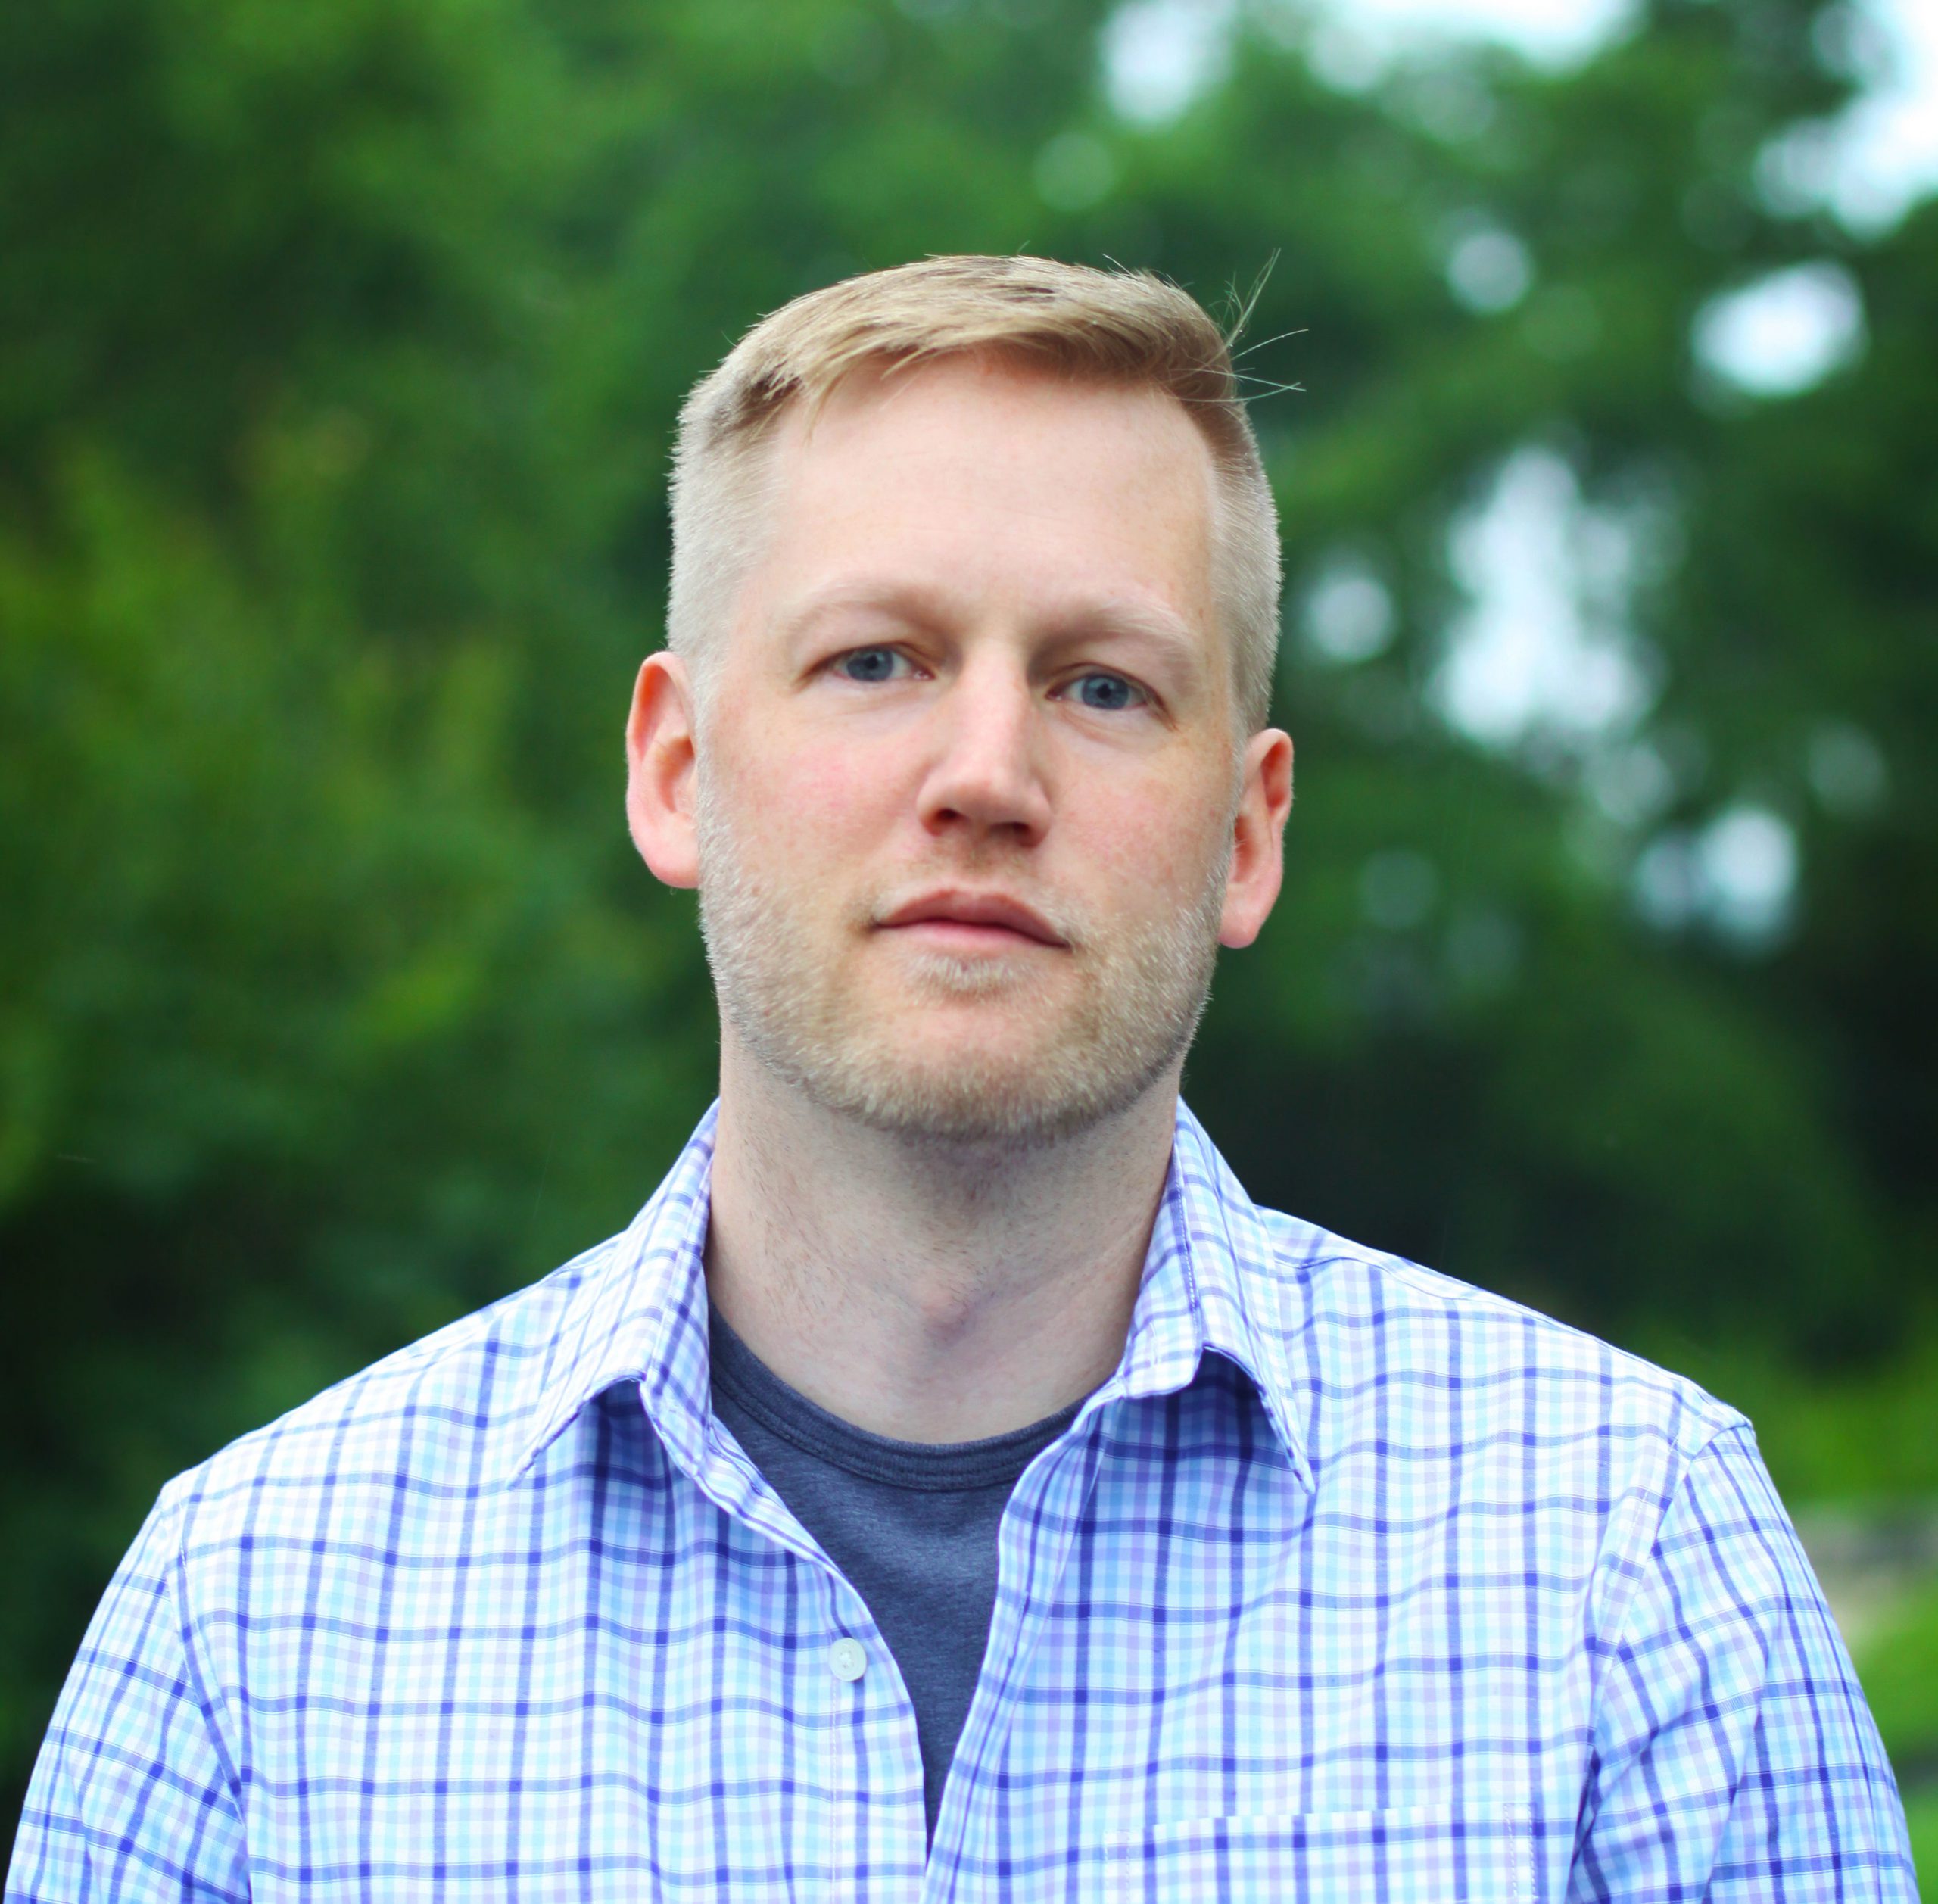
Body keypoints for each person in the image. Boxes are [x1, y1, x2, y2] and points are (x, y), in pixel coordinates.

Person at [9, 255, 1915, 1902]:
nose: (984, 772)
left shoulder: (1620, 1556)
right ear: (676, 770)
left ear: (1246, 834)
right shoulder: (256, 1613)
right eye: (873, 660)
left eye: (1102, 685)